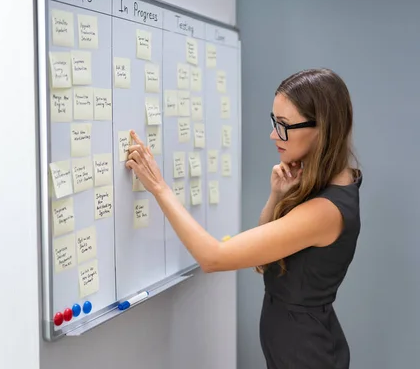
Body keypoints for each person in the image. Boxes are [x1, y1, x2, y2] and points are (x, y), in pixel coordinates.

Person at [125, 68, 362, 369]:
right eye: (274, 122)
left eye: (285, 125)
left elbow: (213, 257)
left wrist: (159, 188)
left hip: (308, 356)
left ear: (322, 129)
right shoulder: (327, 185)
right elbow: (263, 263)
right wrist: (277, 196)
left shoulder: (325, 210)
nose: (274, 134)